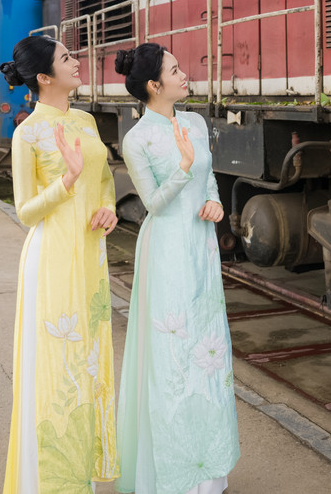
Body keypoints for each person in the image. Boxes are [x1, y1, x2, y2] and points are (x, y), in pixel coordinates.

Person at [114, 43, 239, 494]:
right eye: (175, 69)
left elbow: (209, 177)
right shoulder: (137, 139)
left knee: (208, 352)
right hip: (166, 250)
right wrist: (183, 169)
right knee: (173, 356)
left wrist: (214, 202)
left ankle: (208, 471)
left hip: (200, 247)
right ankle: (173, 475)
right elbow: (152, 203)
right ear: (154, 85)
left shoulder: (195, 122)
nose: (185, 74)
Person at [0, 36, 119, 494]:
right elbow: (25, 211)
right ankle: (48, 482)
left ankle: (81, 475)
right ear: (44, 77)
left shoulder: (85, 121)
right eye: (67, 58)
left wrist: (108, 206)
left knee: (88, 363)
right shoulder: (27, 133)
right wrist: (67, 181)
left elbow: (103, 180)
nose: (77, 61)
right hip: (52, 258)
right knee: (57, 368)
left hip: (90, 254)